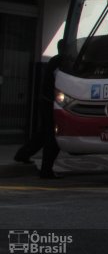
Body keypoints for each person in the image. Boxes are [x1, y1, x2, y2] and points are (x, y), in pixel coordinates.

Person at [14, 41, 62, 179]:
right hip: (51, 103)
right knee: (52, 137)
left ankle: (23, 154)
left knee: (43, 133)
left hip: (47, 101)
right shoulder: (60, 62)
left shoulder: (54, 61)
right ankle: (46, 170)